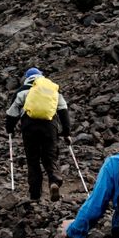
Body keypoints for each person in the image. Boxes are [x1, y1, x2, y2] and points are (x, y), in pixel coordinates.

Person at [5, 68, 71, 201]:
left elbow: (12, 112)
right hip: (50, 126)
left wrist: (10, 129)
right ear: (41, 76)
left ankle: (35, 195)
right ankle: (54, 181)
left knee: (33, 160)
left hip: (29, 127)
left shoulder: (22, 91)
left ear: (27, 78)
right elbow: (63, 110)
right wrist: (66, 132)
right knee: (50, 156)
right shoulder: (52, 89)